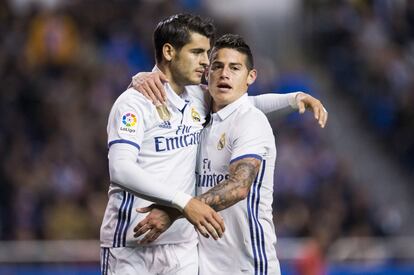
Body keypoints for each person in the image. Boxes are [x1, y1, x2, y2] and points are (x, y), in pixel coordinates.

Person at [135, 33, 286, 275]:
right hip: (204, 266)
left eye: (235, 68)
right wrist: (143, 77)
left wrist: (175, 210)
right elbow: (171, 83)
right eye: (217, 66)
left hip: (248, 266)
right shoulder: (199, 122)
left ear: (251, 77)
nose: (224, 73)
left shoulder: (250, 120)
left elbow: (239, 186)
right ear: (207, 74)